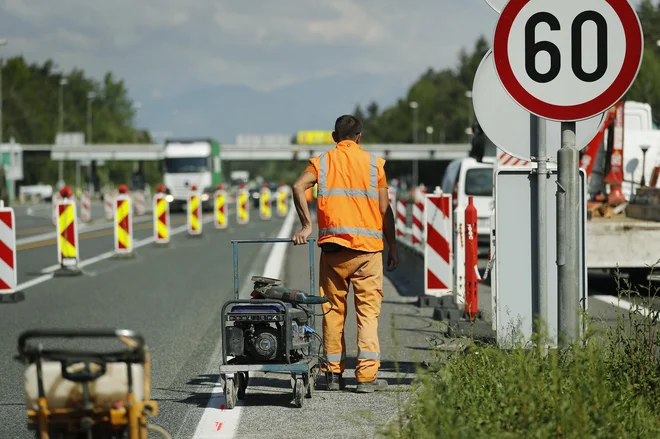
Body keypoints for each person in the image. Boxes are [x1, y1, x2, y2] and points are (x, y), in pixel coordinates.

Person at [292, 114, 398, 393]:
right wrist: (394, 246)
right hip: (369, 252)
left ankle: (332, 373)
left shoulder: (322, 162)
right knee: (367, 315)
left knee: (332, 311)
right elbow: (385, 210)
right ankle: (365, 378)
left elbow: (298, 186)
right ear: (359, 136)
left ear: (334, 137)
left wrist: (306, 225)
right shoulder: (376, 165)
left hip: (334, 249)